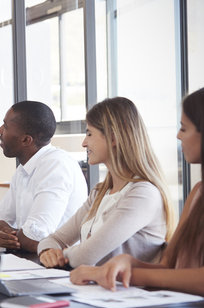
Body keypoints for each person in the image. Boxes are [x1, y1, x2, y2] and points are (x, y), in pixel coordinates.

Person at [70, 88, 204, 296]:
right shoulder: (197, 192)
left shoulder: (143, 192)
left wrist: (127, 273)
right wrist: (128, 262)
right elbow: (169, 265)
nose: (178, 136)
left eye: (184, 129)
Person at [38, 97, 174, 268]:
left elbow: (84, 257)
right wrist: (47, 252)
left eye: (89, 134)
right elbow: (54, 239)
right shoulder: (100, 192)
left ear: (113, 138)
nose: (84, 143)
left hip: (128, 292)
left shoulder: (143, 194)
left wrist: (60, 254)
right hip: (94, 289)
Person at [0, 101, 88, 252]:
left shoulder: (55, 166)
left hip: (58, 267)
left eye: (5, 127)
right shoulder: (23, 169)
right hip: (31, 262)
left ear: (26, 140)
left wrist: (2, 231)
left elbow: (35, 240)